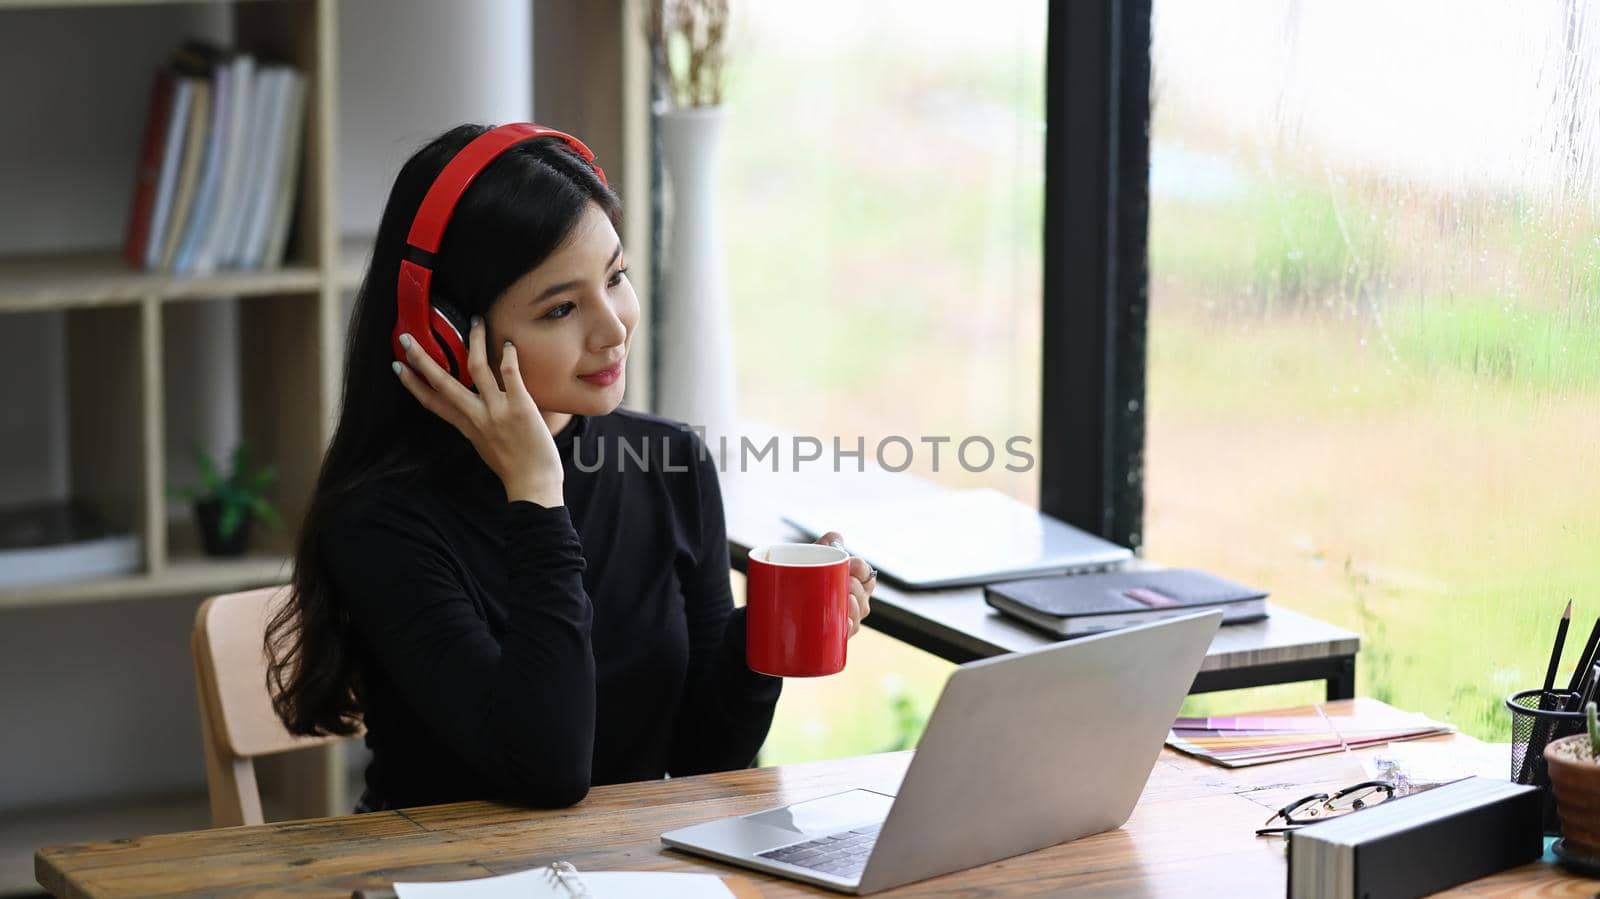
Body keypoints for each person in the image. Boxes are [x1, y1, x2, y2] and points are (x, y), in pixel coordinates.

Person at [263, 123, 877, 811]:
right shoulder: (381, 521)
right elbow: (546, 771)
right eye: (561, 307)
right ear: (446, 330)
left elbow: (709, 758)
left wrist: (763, 630)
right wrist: (537, 493)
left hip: (631, 872)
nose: (613, 325)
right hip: (448, 877)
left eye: (615, 277)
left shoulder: (670, 465)